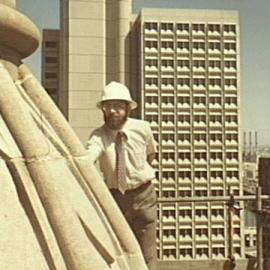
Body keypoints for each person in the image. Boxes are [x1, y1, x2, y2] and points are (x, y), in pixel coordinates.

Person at [86, 81, 157, 270]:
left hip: (144, 195)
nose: (113, 111)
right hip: (116, 198)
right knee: (120, 250)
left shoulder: (143, 128)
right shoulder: (98, 136)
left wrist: (138, 175)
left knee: (148, 251)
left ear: (128, 108)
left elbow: (152, 154)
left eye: (118, 106)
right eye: (108, 106)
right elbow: (89, 157)